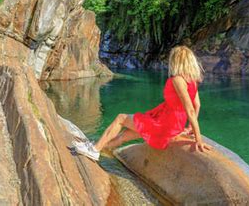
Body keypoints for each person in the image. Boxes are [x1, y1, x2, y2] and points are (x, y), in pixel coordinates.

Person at [72, 45, 211, 161]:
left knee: (121, 118)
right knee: (125, 135)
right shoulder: (192, 80)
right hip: (171, 122)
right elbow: (197, 105)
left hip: (164, 123)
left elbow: (191, 109)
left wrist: (198, 139)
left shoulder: (178, 79)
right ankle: (100, 149)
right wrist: (190, 128)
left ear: (177, 61)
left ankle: (94, 150)